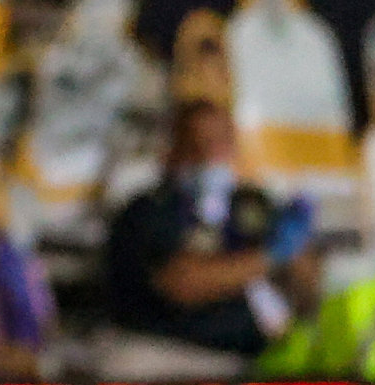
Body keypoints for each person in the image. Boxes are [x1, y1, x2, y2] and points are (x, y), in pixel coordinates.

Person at [105, 100, 317, 356]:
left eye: (222, 141)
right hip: (170, 353)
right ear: (173, 151)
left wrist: (299, 246)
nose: (211, 154)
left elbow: (307, 292)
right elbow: (182, 283)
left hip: (256, 355)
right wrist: (271, 255)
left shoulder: (249, 205)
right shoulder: (149, 210)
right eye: (197, 144)